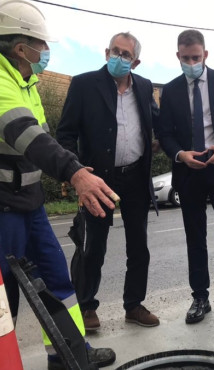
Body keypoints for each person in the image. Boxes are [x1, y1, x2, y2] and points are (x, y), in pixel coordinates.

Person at [0, 0, 116, 368]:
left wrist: (74, 168)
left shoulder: (23, 83)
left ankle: (71, 356)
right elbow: (25, 135)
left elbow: (45, 145)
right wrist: (76, 173)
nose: (46, 52)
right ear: (20, 47)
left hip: (27, 203)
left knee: (58, 283)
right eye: (41, 45)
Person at [56, 32, 160, 332]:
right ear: (105, 53)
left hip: (136, 177)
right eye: (115, 51)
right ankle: (87, 306)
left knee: (139, 246)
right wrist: (76, 171)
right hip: (98, 180)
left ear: (136, 61)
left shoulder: (143, 86)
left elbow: (155, 121)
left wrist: (161, 141)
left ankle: (134, 305)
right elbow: (65, 134)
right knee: (93, 247)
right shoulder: (84, 84)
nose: (119, 57)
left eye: (125, 54)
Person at [155, 29, 214, 334]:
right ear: (177, 57)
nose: (191, 63)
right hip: (189, 171)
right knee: (194, 237)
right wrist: (180, 154)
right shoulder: (170, 91)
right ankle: (200, 298)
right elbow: (165, 134)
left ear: (205, 55)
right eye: (185, 58)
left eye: (196, 57)